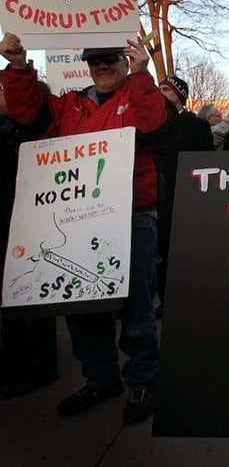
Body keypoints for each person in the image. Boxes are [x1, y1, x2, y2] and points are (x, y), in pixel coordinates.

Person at [0, 32, 174, 423]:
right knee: (81, 306)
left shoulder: (137, 95)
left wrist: (143, 73)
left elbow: (154, 124)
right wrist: (16, 66)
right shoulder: (70, 106)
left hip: (132, 216)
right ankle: (101, 379)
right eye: (95, 61)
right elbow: (27, 113)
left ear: (122, 60)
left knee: (136, 307)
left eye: (109, 59)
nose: (103, 67)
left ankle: (142, 379)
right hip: (75, 222)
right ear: (86, 65)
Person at [0, 71, 58, 399]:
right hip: (14, 225)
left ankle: (36, 369)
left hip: (26, 226)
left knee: (28, 301)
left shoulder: (24, 131)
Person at [155, 76, 214, 314]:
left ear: (179, 95)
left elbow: (207, 161)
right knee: (161, 251)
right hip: (160, 197)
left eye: (166, 89)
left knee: (186, 250)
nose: (161, 93)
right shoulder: (152, 124)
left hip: (187, 197)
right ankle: (165, 301)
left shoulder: (196, 125)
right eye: (159, 89)